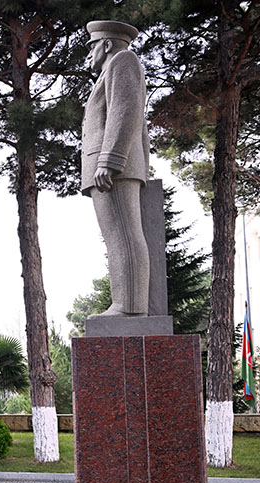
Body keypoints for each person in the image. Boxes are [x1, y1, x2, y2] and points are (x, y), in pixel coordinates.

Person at [81, 20, 152, 318]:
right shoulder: (110, 71)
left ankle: (130, 307)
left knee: (123, 234)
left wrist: (110, 159)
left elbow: (126, 110)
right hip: (109, 164)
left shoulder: (123, 61)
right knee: (116, 236)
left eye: (92, 45)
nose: (89, 53)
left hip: (114, 166)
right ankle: (124, 304)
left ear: (107, 44)